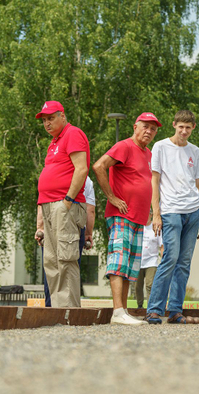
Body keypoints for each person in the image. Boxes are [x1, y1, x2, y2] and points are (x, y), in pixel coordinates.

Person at [93, 112, 160, 325]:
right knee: (118, 260)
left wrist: (152, 211)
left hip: (139, 218)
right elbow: (98, 166)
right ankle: (117, 311)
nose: (149, 131)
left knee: (130, 266)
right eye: (145, 127)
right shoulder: (124, 146)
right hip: (121, 215)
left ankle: (123, 312)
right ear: (135, 127)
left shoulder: (148, 153)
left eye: (153, 128)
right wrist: (111, 197)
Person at [145, 110, 199, 325]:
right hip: (171, 210)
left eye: (188, 128)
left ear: (193, 128)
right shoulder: (161, 147)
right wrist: (156, 212)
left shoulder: (195, 151)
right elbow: (154, 180)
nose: (184, 131)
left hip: (193, 210)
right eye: (180, 127)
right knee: (170, 258)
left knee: (184, 262)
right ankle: (154, 309)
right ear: (174, 125)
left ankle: (175, 311)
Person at [35, 101, 89, 308]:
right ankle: (58, 310)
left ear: (62, 116)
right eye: (44, 120)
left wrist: (67, 201)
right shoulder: (54, 142)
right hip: (49, 206)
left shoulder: (72, 134)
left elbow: (81, 169)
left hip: (65, 204)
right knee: (51, 261)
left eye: (51, 118)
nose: (47, 123)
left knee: (66, 259)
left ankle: (70, 311)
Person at [37, 176, 96, 306]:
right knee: (70, 266)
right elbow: (90, 210)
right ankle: (69, 310)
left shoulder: (52, 173)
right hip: (74, 227)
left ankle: (50, 307)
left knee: (51, 267)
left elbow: (42, 204)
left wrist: (40, 227)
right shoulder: (85, 179)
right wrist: (88, 233)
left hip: (50, 225)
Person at [135, 210, 163, 309]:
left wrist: (163, 260)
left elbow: (162, 245)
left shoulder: (155, 228)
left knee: (150, 285)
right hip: (138, 261)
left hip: (152, 261)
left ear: (151, 215)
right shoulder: (138, 227)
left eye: (148, 214)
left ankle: (150, 307)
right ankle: (139, 306)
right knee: (137, 286)